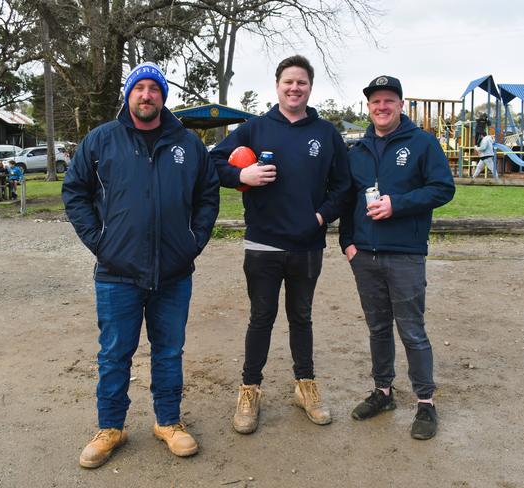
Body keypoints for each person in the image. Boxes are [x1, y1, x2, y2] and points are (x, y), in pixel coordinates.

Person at [62, 61, 219, 467]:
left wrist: (193, 242)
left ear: (163, 97)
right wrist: (100, 242)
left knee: (169, 351)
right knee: (115, 353)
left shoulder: (188, 143)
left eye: (154, 88)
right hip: (117, 273)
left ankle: (169, 422)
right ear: (129, 94)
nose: (146, 94)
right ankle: (110, 427)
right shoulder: (101, 141)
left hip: (173, 271)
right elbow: (74, 191)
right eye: (139, 88)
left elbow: (208, 195)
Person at [210, 55, 350, 434]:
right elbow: (213, 164)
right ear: (277, 85)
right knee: (261, 317)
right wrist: (243, 173)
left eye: (301, 82)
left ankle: (305, 386)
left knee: (301, 316)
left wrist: (321, 218)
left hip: (307, 244)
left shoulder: (327, 133)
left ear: (309, 87)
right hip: (263, 244)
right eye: (288, 81)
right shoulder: (254, 129)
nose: (294, 88)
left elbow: (343, 186)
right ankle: (250, 389)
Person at [339, 75, 455, 440]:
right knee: (377, 328)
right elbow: (347, 200)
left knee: (412, 331)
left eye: (389, 100)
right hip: (365, 256)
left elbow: (443, 188)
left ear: (401, 105)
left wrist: (398, 205)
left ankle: (425, 401)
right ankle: (383, 392)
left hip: (405, 255)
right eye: (375, 102)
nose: (382, 107)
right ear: (369, 107)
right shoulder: (356, 152)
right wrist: (347, 243)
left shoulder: (422, 143)